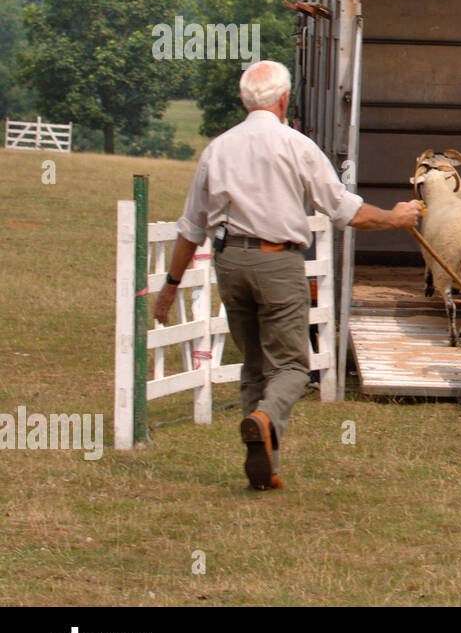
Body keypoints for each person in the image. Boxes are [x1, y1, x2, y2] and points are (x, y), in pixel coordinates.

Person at [154, 61, 422, 491]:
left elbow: (191, 227)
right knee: (295, 366)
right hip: (277, 262)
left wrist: (169, 287)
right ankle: (263, 419)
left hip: (231, 262)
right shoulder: (296, 146)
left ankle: (265, 467)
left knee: (254, 367)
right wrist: (395, 218)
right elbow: (342, 209)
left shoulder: (217, 148)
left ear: (245, 100)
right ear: (284, 100)